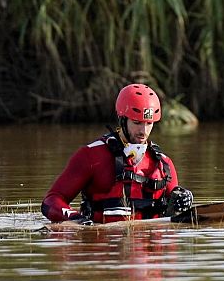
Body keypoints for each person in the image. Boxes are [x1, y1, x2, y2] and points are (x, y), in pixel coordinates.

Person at [41, 83, 194, 223]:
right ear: (122, 119)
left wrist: (181, 203)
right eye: (137, 122)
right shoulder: (90, 156)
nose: (144, 131)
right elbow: (51, 201)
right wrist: (76, 219)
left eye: (149, 123)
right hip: (102, 246)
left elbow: (172, 224)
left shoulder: (163, 164)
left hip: (150, 247)